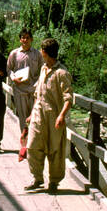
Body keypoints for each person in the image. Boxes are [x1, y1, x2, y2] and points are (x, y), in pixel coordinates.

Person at [24, 38, 73, 193]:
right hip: (39, 115)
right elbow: (38, 94)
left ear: (44, 52)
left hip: (54, 117)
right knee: (32, 146)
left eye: (41, 51)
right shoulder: (43, 69)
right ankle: (37, 178)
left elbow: (69, 98)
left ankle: (54, 181)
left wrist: (62, 116)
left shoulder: (62, 73)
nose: (40, 53)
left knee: (55, 150)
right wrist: (32, 113)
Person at [7, 27, 42, 147]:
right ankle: (24, 144)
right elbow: (9, 69)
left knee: (34, 118)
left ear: (31, 39)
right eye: (23, 37)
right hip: (19, 90)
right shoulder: (14, 54)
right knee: (22, 118)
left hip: (33, 90)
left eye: (27, 38)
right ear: (20, 40)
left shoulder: (38, 54)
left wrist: (37, 85)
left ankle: (32, 143)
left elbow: (42, 71)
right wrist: (13, 78)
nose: (25, 40)